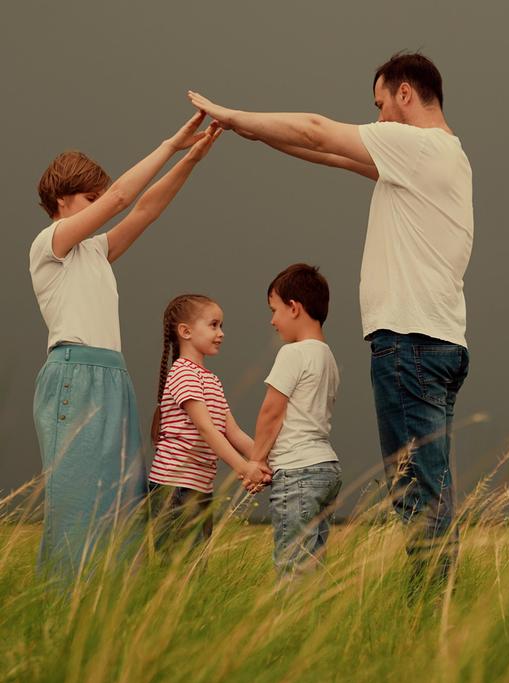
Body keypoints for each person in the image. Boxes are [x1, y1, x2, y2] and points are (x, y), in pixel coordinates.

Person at [188, 52, 473, 579]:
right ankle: (437, 612)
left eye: (380, 104)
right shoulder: (445, 158)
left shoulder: (417, 144)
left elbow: (318, 131)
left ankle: (432, 618)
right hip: (438, 344)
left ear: (404, 93)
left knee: (417, 495)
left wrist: (230, 113)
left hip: (410, 345)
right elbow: (326, 153)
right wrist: (248, 132)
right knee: (429, 486)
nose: (379, 118)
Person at [30, 113, 221, 576]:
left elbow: (146, 209)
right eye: (88, 199)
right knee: (77, 504)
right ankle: (61, 607)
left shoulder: (94, 252)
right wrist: (171, 144)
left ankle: (111, 609)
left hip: (113, 378)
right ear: (61, 200)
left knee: (121, 501)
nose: (100, 206)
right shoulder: (49, 244)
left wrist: (190, 159)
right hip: (75, 376)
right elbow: (121, 197)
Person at [148, 294, 272, 554]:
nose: (221, 333)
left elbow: (233, 432)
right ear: (186, 331)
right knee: (177, 570)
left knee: (194, 566)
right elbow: (206, 429)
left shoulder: (211, 380)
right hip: (174, 489)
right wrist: (242, 468)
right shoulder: (183, 373)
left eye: (221, 326)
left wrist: (265, 463)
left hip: (199, 490)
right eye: (214, 325)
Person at [241, 264, 342, 575]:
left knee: (291, 567)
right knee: (312, 563)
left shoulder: (292, 354)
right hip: (326, 469)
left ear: (294, 308)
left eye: (275, 310)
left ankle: (289, 623)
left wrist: (255, 463)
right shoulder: (328, 357)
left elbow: (271, 412)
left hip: (297, 472)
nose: (272, 320)